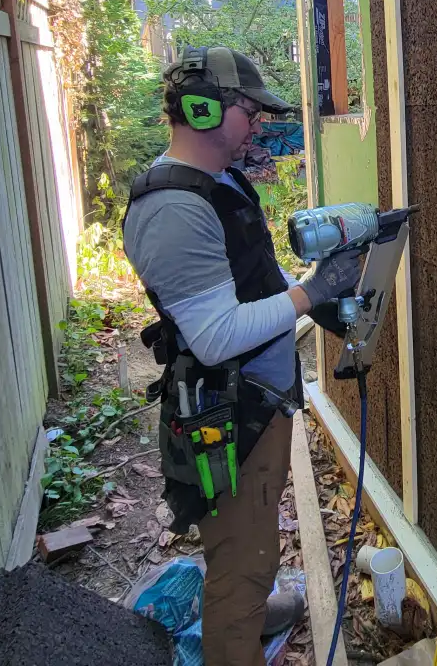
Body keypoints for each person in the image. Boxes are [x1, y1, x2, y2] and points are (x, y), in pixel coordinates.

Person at [122, 46, 362, 666]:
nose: (257, 122)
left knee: (254, 530)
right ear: (202, 110)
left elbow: (251, 277)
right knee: (242, 565)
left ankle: (251, 606)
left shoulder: (220, 183)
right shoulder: (174, 209)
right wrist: (312, 292)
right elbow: (215, 335)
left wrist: (308, 296)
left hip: (258, 403)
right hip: (229, 416)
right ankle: (237, 627)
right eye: (248, 109)